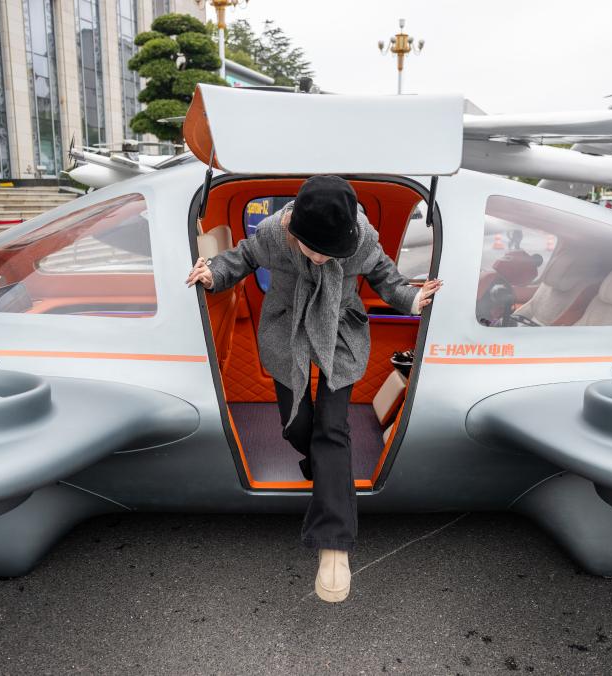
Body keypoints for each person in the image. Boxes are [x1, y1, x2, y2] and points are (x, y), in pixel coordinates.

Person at [185, 176, 442, 603]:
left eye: (330, 251)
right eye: (312, 248)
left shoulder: (361, 239)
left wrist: (412, 300)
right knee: (297, 427)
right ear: (293, 231)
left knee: (332, 430)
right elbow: (241, 257)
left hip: (340, 330)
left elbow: (385, 276)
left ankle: (334, 545)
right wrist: (213, 273)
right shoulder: (274, 233)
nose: (321, 258)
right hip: (287, 329)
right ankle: (323, 469)